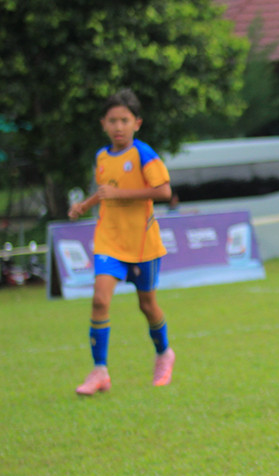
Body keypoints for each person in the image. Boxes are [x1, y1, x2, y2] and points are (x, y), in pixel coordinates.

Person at [68, 88, 175, 395]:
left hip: (141, 243)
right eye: (112, 120)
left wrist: (119, 195)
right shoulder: (101, 157)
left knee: (147, 305)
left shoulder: (144, 154)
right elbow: (107, 190)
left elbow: (164, 191)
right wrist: (85, 206)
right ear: (103, 123)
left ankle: (164, 352)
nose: (118, 126)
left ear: (136, 123)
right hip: (109, 240)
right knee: (100, 300)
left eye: (124, 120)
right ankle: (99, 371)